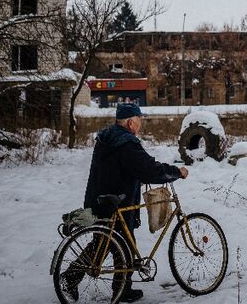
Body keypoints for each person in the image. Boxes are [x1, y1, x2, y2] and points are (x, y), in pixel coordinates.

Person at [65, 103, 188, 303]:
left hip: (99, 197)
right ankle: (79, 278)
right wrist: (176, 172)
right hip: (117, 201)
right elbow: (148, 169)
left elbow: (125, 167)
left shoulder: (108, 137)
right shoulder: (126, 143)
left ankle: (121, 288)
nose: (141, 125)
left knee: (109, 243)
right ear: (131, 122)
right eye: (139, 120)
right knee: (115, 244)